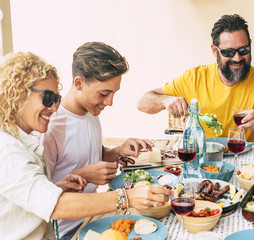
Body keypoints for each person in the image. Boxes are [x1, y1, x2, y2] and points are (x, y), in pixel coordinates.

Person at [0, 52, 172, 239]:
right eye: (48, 98)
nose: (54, 108)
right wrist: (127, 197)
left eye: (56, 99)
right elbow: (55, 206)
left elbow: (33, 194)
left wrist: (58, 186)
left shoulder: (20, 141)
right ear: (17, 94)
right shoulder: (8, 150)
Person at [39, 42, 162, 239]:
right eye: (104, 93)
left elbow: (82, 154)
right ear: (79, 83)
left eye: (114, 93)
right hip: (68, 229)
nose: (110, 102)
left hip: (96, 216)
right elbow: (42, 195)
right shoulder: (51, 126)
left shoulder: (91, 112)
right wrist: (85, 176)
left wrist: (118, 151)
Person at [137, 14, 254, 146]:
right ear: (214, 51)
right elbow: (142, 103)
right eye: (228, 52)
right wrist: (165, 100)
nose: (237, 58)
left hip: (244, 157)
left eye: (243, 50)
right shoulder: (194, 78)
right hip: (202, 156)